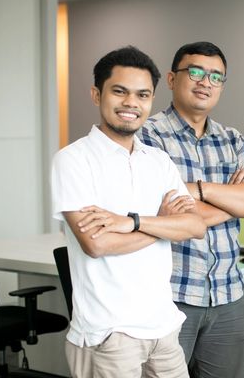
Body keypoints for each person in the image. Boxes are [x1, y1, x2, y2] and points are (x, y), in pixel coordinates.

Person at [51, 46, 207, 378]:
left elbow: (194, 225)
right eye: (119, 91)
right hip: (109, 333)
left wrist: (131, 222)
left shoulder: (158, 161)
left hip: (163, 328)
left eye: (142, 94)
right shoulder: (74, 160)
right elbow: (97, 245)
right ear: (97, 94)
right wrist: (164, 224)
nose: (131, 103)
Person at [137, 41, 244, 377]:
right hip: (170, 295)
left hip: (229, 295)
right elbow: (156, 213)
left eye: (215, 76)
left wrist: (201, 192)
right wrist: (233, 199)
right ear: (171, 78)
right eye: (195, 71)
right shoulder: (148, 137)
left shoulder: (233, 140)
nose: (205, 81)